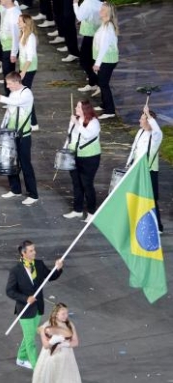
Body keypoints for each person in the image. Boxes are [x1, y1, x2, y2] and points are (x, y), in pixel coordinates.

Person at [6, 240, 64, 370]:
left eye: (34, 249)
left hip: (37, 308)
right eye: (31, 250)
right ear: (23, 253)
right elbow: (9, 291)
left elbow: (50, 276)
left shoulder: (38, 264)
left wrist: (58, 268)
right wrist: (25, 298)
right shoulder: (16, 270)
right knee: (31, 340)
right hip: (24, 310)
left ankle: (21, 358)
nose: (34, 252)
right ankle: (36, 367)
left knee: (29, 335)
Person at [0, 72, 38, 205]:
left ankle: (33, 194)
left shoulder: (26, 93)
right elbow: (9, 111)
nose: (7, 86)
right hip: (11, 134)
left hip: (23, 135)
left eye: (9, 83)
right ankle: (15, 189)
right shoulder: (12, 93)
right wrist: (2, 128)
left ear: (17, 82)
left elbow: (15, 103)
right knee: (10, 162)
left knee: (25, 164)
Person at [29, 303, 85, 383]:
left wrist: (65, 344)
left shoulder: (70, 324)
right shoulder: (46, 326)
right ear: (56, 314)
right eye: (63, 314)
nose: (66, 316)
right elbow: (46, 346)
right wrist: (53, 341)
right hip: (50, 358)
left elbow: (75, 342)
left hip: (66, 358)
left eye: (67, 313)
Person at [126, 105, 163, 233]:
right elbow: (134, 148)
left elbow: (158, 130)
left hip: (149, 171)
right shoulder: (140, 131)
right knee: (137, 196)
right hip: (137, 170)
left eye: (142, 119)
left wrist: (148, 114)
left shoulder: (155, 137)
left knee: (151, 198)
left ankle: (158, 227)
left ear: (148, 121)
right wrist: (128, 163)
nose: (139, 121)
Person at [63, 100, 101, 222]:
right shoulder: (75, 120)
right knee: (76, 184)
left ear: (85, 109)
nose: (76, 108)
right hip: (74, 155)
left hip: (89, 157)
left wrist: (77, 123)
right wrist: (64, 150)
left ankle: (91, 212)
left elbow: (87, 135)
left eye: (78, 106)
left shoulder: (94, 122)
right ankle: (77, 210)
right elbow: (70, 136)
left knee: (87, 184)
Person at [0, 0, 21, 94]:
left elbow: (16, 36)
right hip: (6, 47)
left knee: (9, 75)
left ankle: (11, 98)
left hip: (10, 49)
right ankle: (11, 97)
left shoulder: (14, 14)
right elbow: (5, 29)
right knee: (7, 74)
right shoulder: (7, 9)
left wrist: (13, 53)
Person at [93, 2, 119, 120]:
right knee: (102, 83)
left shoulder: (108, 27)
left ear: (108, 13)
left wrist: (98, 63)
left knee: (103, 84)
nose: (100, 11)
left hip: (107, 60)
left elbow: (104, 47)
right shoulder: (104, 24)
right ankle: (105, 104)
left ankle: (110, 110)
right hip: (105, 59)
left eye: (103, 10)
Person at [74, 0, 102, 96]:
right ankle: (92, 82)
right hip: (96, 34)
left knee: (84, 61)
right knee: (91, 60)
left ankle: (97, 83)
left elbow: (79, 16)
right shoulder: (99, 2)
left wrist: (75, 4)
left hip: (90, 35)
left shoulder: (87, 3)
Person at [18, 14, 39, 131]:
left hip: (29, 68)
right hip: (24, 67)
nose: (18, 23)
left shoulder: (30, 37)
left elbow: (30, 58)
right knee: (24, 93)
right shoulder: (23, 35)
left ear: (26, 23)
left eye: (20, 21)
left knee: (26, 94)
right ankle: (30, 120)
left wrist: (23, 72)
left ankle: (33, 122)